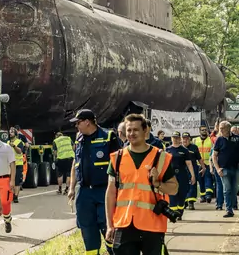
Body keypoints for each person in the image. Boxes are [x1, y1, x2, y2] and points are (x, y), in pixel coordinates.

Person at [105, 114, 178, 254]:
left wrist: (158, 183)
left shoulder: (160, 157)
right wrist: (109, 225)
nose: (131, 133)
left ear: (145, 132)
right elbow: (110, 193)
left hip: (152, 224)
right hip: (123, 224)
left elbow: (174, 189)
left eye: (135, 130)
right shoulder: (117, 158)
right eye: (129, 130)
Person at [67, 109, 121, 255]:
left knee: (107, 225)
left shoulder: (109, 137)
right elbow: (75, 163)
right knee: (87, 227)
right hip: (84, 192)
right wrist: (72, 187)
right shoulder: (79, 138)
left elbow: (120, 164)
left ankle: (113, 251)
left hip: (104, 190)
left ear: (87, 122)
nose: (76, 126)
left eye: (78, 123)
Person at [212, 121, 239, 217]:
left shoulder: (236, 139)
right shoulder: (219, 140)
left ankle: (232, 205)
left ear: (228, 128)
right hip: (224, 169)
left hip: (235, 168)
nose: (221, 130)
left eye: (222, 128)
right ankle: (229, 210)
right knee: (227, 189)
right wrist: (217, 169)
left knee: (235, 189)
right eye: (220, 128)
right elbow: (214, 156)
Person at [165, 131, 194, 219]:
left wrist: (193, 175)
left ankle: (180, 210)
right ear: (171, 138)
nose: (176, 139)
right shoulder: (168, 150)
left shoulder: (184, 150)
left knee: (182, 193)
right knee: (172, 194)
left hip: (182, 174)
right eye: (174, 138)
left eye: (177, 138)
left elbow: (189, 164)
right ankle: (173, 214)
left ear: (180, 139)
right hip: (171, 174)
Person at [181, 132, 203, 210]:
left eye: (187, 138)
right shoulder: (179, 148)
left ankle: (191, 202)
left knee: (192, 185)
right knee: (183, 186)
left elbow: (199, 158)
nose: (185, 140)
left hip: (193, 168)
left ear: (190, 139)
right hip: (182, 169)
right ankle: (185, 202)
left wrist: (203, 167)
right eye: (183, 138)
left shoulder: (194, 147)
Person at [194, 125, 215, 203]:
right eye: (202, 130)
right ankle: (202, 196)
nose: (204, 131)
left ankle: (208, 195)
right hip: (198, 163)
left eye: (205, 130)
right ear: (199, 131)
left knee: (208, 179)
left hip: (208, 163)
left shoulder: (210, 140)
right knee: (200, 180)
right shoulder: (195, 140)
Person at [8, 131, 25, 203]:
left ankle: (16, 196)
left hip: (18, 164)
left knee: (17, 181)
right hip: (9, 164)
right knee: (10, 181)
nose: (10, 133)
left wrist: (14, 146)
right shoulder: (7, 142)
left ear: (15, 134)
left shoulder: (19, 142)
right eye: (9, 132)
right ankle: (12, 195)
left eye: (12, 132)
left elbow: (20, 151)